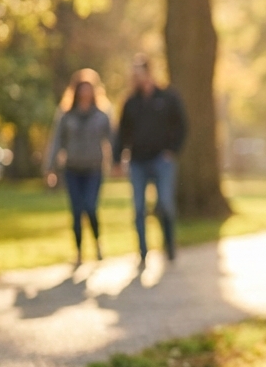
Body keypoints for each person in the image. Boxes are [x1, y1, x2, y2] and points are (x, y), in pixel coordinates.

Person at [113, 55, 186, 265]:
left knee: (164, 203)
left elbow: (181, 126)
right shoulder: (130, 103)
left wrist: (172, 150)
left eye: (139, 73)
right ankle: (143, 252)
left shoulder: (168, 97)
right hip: (138, 161)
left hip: (162, 160)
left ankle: (169, 244)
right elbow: (122, 133)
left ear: (149, 73)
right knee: (138, 207)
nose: (136, 78)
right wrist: (118, 160)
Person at [44, 70, 113, 265]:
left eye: (88, 89)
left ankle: (98, 242)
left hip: (94, 168)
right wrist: (50, 168)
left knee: (90, 207)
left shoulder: (101, 115)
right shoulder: (66, 116)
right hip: (72, 169)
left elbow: (112, 139)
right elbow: (57, 142)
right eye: (82, 89)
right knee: (76, 211)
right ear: (75, 91)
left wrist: (117, 162)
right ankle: (79, 253)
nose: (85, 93)